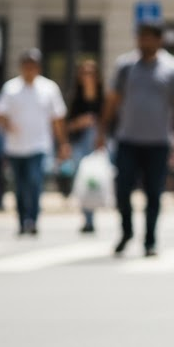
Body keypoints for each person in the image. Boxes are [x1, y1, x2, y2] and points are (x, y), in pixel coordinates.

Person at [100, 23, 174, 257]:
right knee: (122, 190)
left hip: (158, 142)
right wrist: (102, 130)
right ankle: (127, 231)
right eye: (141, 38)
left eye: (149, 38)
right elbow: (112, 100)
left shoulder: (173, 68)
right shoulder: (125, 66)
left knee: (154, 193)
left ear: (159, 40)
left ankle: (150, 240)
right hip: (127, 139)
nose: (144, 43)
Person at [0, 49, 70, 236]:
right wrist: (8, 125)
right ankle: (22, 220)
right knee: (20, 186)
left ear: (38, 67)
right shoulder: (11, 88)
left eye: (33, 65)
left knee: (35, 181)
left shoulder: (49, 88)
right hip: (15, 146)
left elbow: (57, 119)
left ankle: (33, 219)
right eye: (26, 65)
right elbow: (1, 114)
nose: (29, 69)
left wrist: (63, 143)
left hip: (39, 145)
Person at [66, 58, 104, 233]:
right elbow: (67, 124)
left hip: (99, 141)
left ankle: (94, 214)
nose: (87, 76)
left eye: (91, 73)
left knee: (98, 179)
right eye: (84, 73)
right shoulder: (75, 97)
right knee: (82, 179)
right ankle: (87, 218)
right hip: (80, 142)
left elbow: (111, 120)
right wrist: (80, 122)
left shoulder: (104, 97)